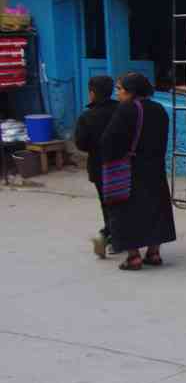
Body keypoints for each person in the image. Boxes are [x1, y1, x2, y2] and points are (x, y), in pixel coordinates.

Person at [100, 72, 176, 271]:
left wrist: (109, 159)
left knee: (126, 210)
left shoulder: (126, 110)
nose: (117, 93)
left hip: (131, 170)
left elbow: (109, 140)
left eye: (119, 89)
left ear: (130, 91)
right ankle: (154, 253)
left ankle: (133, 257)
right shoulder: (159, 109)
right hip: (155, 168)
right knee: (155, 209)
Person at [74, 75, 118, 258]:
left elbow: (81, 144)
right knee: (124, 202)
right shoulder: (122, 110)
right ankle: (114, 237)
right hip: (124, 165)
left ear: (92, 93)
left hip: (100, 167)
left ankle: (108, 235)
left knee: (107, 204)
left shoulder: (87, 116)